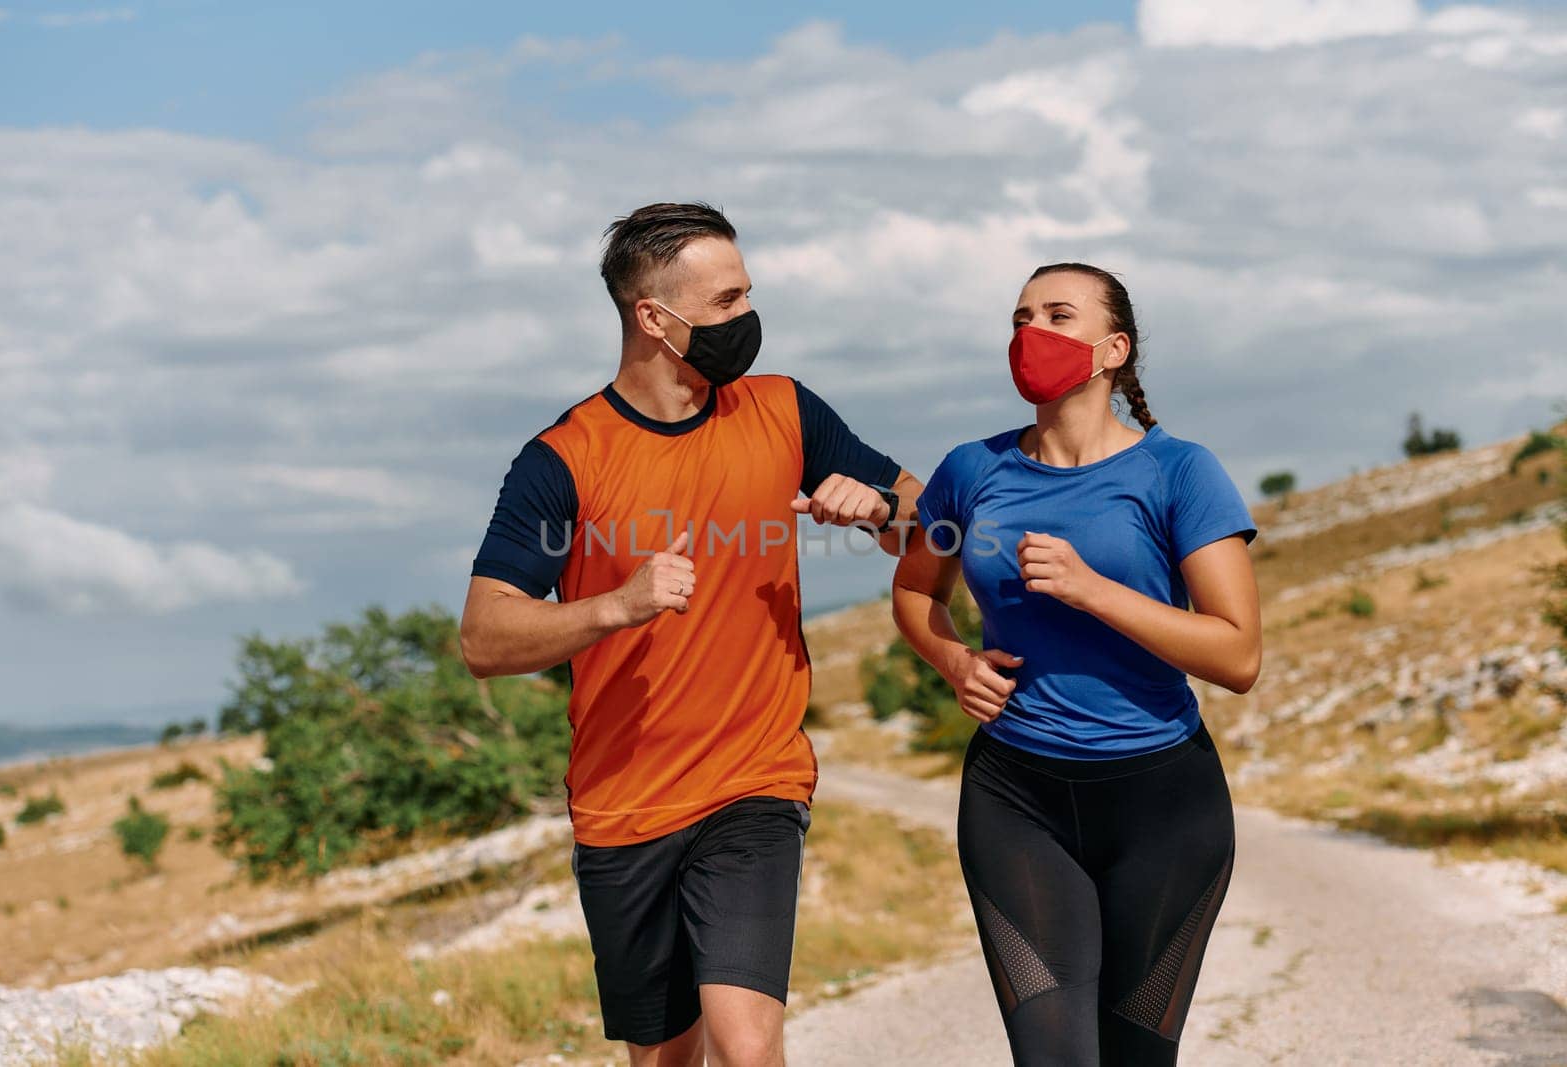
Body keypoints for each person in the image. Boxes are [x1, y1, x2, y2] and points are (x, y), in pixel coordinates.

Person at [460, 202, 923, 1067]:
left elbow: (936, 526)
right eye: (726, 301)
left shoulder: (785, 411)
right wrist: (613, 606)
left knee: (748, 1044)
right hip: (622, 804)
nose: (745, 318)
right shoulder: (564, 458)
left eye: (746, 295)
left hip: (754, 779)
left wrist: (880, 510)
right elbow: (484, 637)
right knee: (665, 1057)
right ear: (654, 319)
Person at [890, 262, 1261, 1066]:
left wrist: (1094, 590)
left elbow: (1238, 653)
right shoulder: (970, 470)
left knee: (1135, 1056)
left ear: (1111, 349)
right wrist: (954, 661)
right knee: (1053, 1055)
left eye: (1059, 315)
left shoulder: (1180, 471)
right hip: (1015, 798)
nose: (1033, 332)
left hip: (1164, 804)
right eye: (1022, 316)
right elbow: (916, 593)